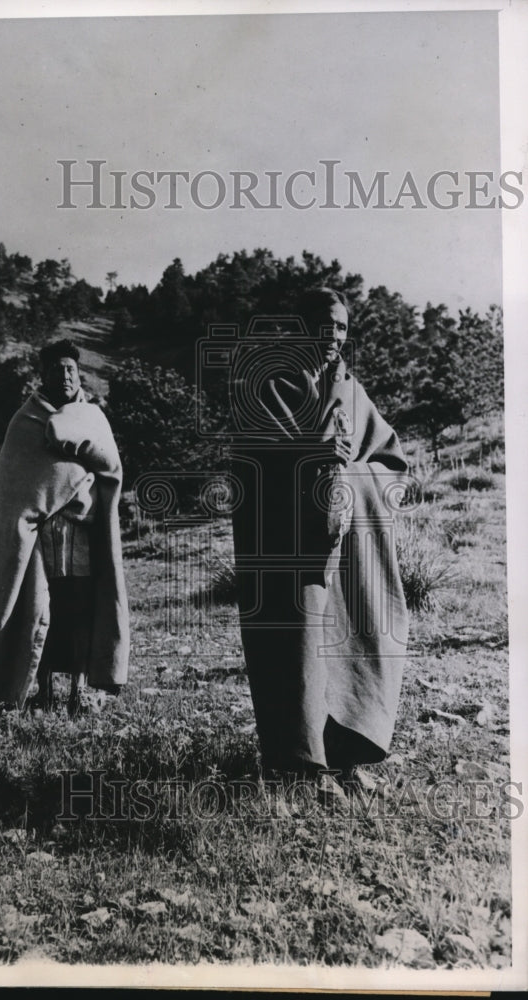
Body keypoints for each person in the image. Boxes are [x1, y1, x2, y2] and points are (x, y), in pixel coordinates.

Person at [229, 288, 409, 806]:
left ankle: (345, 754)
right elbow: (250, 464)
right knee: (295, 651)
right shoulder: (270, 381)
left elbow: (389, 461)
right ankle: (299, 766)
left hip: (344, 540)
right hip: (285, 542)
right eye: (325, 324)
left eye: (342, 327)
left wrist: (348, 475)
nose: (333, 336)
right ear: (301, 327)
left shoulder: (352, 390)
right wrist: (310, 458)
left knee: (347, 645)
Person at [0, 339, 129, 715]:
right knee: (38, 610)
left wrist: (81, 454)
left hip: (83, 534)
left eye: (71, 369)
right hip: (38, 538)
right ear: (42, 375)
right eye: (57, 369)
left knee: (80, 611)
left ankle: (76, 691)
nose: (65, 376)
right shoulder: (24, 422)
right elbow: (14, 486)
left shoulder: (92, 417)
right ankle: (40, 690)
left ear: (80, 373)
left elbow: (111, 469)